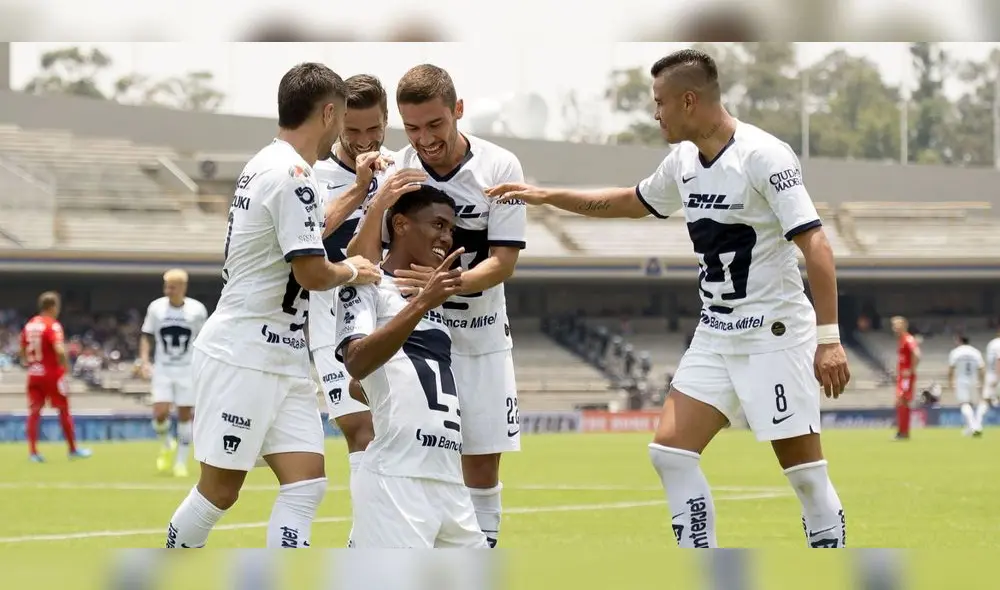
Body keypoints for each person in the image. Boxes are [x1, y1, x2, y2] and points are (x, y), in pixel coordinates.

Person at [486, 48, 851, 549]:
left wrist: (829, 340)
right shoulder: (682, 162)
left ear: (689, 101)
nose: (655, 113)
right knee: (670, 454)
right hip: (716, 333)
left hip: (775, 334)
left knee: (805, 475)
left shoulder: (763, 156)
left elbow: (816, 244)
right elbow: (629, 201)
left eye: (660, 102)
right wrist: (547, 195)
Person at [164, 62, 380, 549]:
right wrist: (353, 269)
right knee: (219, 492)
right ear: (329, 113)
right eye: (342, 118)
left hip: (282, 356)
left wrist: (358, 191)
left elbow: (305, 230)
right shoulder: (293, 174)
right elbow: (312, 273)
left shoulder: (271, 164)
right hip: (243, 355)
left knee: (306, 485)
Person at [348, 64, 526, 548]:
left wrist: (448, 284)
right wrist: (378, 204)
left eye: (435, 124)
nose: (424, 139)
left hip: (482, 336)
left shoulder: (499, 166)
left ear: (458, 110)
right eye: (412, 128)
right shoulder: (395, 170)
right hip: (417, 339)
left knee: (481, 465)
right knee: (399, 450)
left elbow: (504, 261)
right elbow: (362, 261)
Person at [337, 186, 488, 548]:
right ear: (401, 224)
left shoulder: (434, 299)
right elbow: (356, 362)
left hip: (448, 479)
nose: (446, 237)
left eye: (451, 229)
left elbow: (370, 383)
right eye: (438, 224)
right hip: (397, 478)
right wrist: (422, 304)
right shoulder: (368, 286)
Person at [305, 73, 414, 545]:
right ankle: (365, 546)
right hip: (332, 322)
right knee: (362, 430)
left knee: (397, 433)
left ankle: (372, 541)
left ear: (387, 120)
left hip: (391, 323)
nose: (365, 140)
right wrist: (364, 190)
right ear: (336, 123)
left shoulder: (402, 170)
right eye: (353, 131)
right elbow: (311, 247)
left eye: (375, 129)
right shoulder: (314, 178)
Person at [140, 268, 208, 477]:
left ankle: (180, 462)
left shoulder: (197, 310)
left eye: (172, 287)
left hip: (187, 369)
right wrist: (144, 361)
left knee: (185, 416)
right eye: (166, 287)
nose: (168, 291)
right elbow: (146, 335)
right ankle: (167, 442)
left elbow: (204, 339)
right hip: (163, 368)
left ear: (183, 287)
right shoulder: (156, 308)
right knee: (160, 413)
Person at [19, 291, 91, 462]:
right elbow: (59, 349)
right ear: (53, 307)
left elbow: (22, 349)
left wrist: (30, 363)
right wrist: (66, 367)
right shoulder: (52, 325)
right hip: (52, 374)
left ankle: (33, 453)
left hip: (34, 373)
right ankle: (73, 450)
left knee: (34, 412)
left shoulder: (30, 325)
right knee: (63, 410)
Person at [947, 334, 985, 436]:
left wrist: (950, 382)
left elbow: (951, 369)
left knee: (964, 404)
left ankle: (975, 426)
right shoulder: (975, 352)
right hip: (974, 380)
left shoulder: (956, 352)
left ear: (959, 341)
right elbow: (982, 368)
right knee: (972, 404)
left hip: (961, 381)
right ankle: (969, 428)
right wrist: (983, 382)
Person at [891, 316, 920, 440]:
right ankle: (903, 431)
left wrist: (911, 369)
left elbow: (917, 354)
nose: (894, 328)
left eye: (896, 325)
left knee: (902, 401)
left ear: (904, 325)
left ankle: (903, 432)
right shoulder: (902, 340)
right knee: (901, 402)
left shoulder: (908, 339)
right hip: (902, 376)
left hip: (906, 377)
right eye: (893, 326)